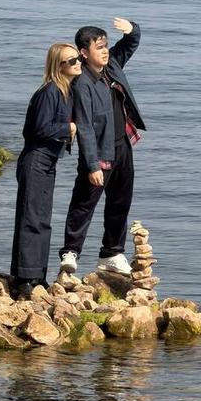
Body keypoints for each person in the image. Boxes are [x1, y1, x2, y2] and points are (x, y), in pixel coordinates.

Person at [59, 17, 145, 276]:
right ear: (84, 53)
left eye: (106, 45)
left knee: (120, 201)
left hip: (122, 145)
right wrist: (92, 164)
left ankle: (112, 253)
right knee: (84, 202)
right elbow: (84, 126)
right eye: (99, 47)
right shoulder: (82, 83)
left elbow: (130, 45)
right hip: (99, 151)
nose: (105, 51)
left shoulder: (112, 66)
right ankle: (70, 252)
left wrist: (132, 29)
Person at [10, 42, 81, 298]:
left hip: (48, 160)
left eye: (78, 58)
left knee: (42, 218)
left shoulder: (66, 91)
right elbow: (37, 129)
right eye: (71, 61)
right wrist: (68, 129)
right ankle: (24, 278)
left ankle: (37, 274)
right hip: (36, 159)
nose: (77, 63)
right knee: (32, 218)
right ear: (58, 66)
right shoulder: (49, 91)